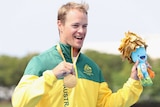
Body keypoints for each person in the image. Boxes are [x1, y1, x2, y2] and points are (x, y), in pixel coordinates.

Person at [12, 2, 143, 107]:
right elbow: (19, 102)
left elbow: (107, 104)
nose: (81, 31)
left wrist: (133, 82)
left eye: (84, 26)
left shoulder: (92, 67)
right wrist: (52, 75)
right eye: (75, 25)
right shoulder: (40, 63)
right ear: (60, 25)